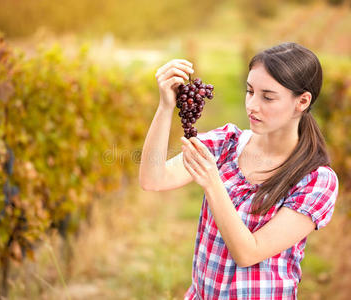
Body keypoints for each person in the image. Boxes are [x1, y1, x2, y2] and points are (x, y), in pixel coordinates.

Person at [139, 42, 339, 299]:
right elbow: (153, 179)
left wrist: (213, 183)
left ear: (302, 101)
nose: (252, 105)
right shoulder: (227, 142)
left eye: (267, 97)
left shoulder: (316, 181)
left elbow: (248, 252)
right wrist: (166, 106)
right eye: (249, 91)